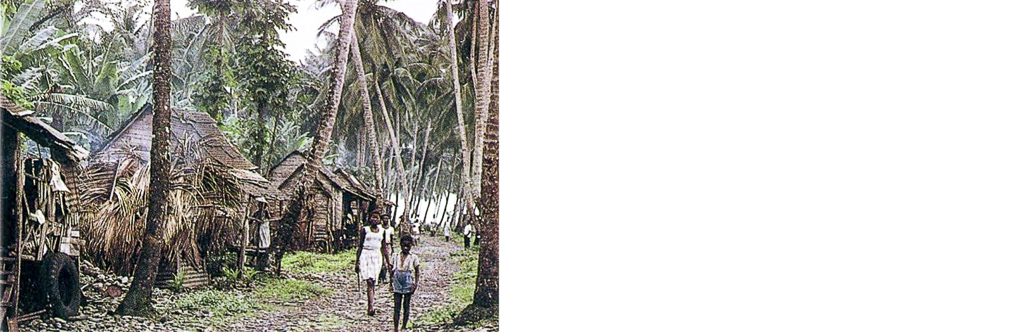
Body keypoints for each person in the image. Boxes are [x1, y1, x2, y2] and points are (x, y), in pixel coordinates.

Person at [355, 211, 391, 316]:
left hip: (376, 256)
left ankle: (371, 302)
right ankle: (371, 306)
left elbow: (384, 248)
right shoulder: (365, 230)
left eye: (377, 218)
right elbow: (360, 246)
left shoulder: (382, 232)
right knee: (369, 281)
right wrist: (357, 262)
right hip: (365, 255)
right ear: (369, 218)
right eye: (373, 217)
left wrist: (388, 262)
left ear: (379, 220)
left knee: (373, 280)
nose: (374, 219)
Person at [391, 234, 420, 331]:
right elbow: (391, 270)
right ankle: (395, 327)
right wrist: (390, 283)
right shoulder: (395, 256)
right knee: (397, 305)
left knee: (406, 305)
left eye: (408, 246)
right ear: (400, 245)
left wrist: (415, 284)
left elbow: (417, 271)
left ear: (411, 245)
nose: (406, 248)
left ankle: (404, 326)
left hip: (408, 281)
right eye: (404, 245)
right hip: (397, 281)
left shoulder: (414, 257)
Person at [379, 215, 395, 285]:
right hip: (379, 245)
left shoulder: (391, 229)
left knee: (388, 262)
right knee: (380, 261)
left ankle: (388, 277)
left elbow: (391, 239)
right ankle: (380, 277)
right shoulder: (379, 227)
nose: (385, 220)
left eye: (387, 218)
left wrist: (392, 248)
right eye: (384, 218)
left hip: (388, 245)